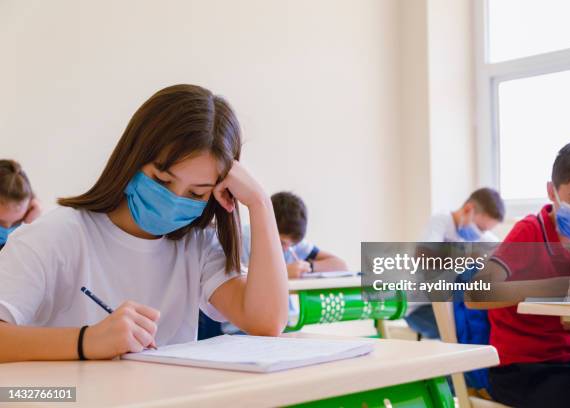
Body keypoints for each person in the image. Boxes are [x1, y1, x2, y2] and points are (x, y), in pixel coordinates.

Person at [0, 84, 288, 362]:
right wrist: (87, 341)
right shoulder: (56, 235)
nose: (174, 200)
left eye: (196, 193)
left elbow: (266, 323)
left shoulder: (198, 245)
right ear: (133, 159)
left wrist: (259, 204)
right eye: (162, 180)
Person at [468, 141, 570, 407]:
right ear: (551, 192)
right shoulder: (530, 233)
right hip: (520, 371)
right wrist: (568, 287)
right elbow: (476, 294)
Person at [405, 188, 505, 339]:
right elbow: (422, 256)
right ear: (468, 209)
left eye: (485, 231)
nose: (481, 234)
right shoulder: (441, 220)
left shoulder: (481, 237)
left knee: (490, 323)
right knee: (462, 331)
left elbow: (504, 254)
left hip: (453, 307)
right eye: (481, 228)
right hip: (421, 308)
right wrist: (465, 257)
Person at [241, 191, 348, 278]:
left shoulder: (292, 244)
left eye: (292, 244)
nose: (287, 249)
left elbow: (341, 265)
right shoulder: (243, 240)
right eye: (282, 243)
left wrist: (309, 266)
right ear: (264, 226)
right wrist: (282, 272)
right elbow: (235, 279)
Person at [0, 159, 41, 250]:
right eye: (1, 222)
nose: (7, 229)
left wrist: (32, 226)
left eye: (16, 222)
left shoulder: (31, 216)